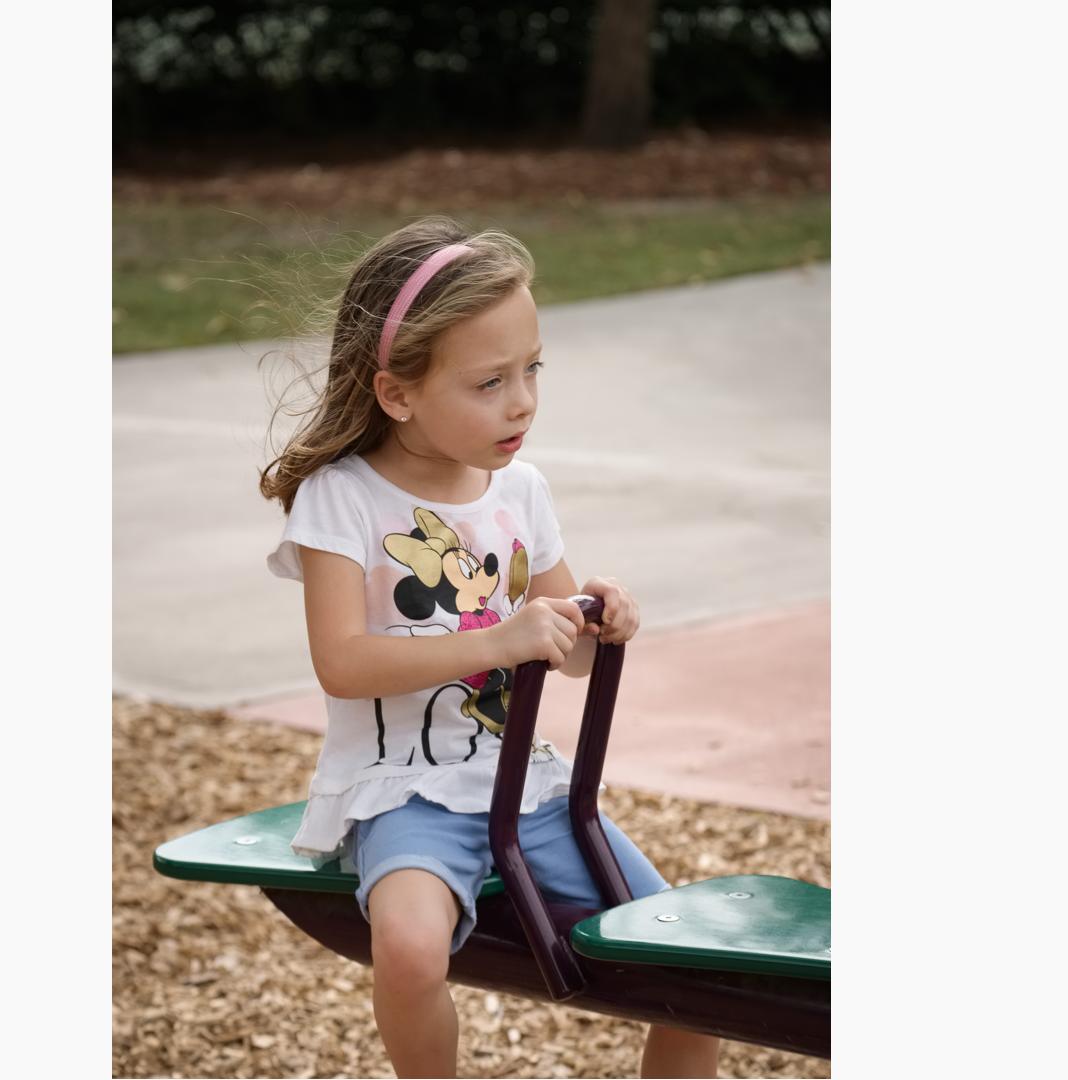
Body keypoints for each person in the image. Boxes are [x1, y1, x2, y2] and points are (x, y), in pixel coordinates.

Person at [259, 217, 721, 1078]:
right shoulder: (342, 499)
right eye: (489, 382)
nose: (523, 402)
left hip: (533, 794)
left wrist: (600, 620)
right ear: (397, 393)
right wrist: (500, 639)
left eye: (532, 369)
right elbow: (343, 663)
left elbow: (569, 654)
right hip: (405, 798)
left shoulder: (523, 490)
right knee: (406, 949)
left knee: (694, 959)